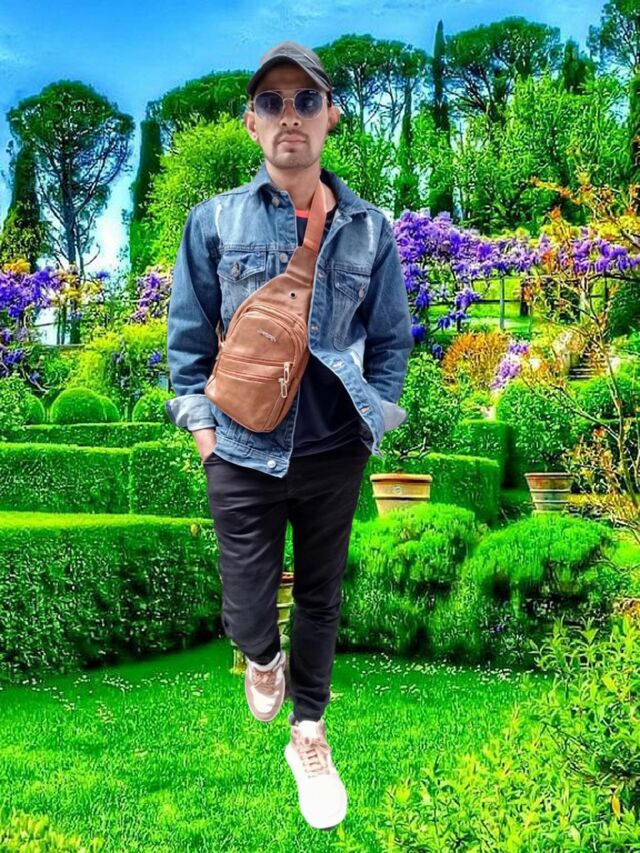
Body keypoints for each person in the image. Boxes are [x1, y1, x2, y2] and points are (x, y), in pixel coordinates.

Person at [165, 40, 414, 831]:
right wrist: (205, 438)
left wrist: (374, 424)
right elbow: (187, 344)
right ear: (251, 123)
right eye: (271, 102)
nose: (289, 116)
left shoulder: (370, 229)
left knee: (319, 597)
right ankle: (261, 656)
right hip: (240, 449)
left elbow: (393, 339)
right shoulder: (213, 221)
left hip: (335, 449)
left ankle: (309, 731)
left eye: (306, 100)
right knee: (247, 607)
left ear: (330, 116)